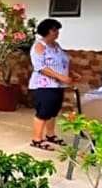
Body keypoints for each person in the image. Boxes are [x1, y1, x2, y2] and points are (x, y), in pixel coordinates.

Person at [28, 17, 79, 150]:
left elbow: (63, 62)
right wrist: (61, 77)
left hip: (57, 86)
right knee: (43, 112)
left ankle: (50, 135)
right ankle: (36, 139)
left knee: (52, 111)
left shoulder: (56, 46)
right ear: (48, 31)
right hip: (43, 85)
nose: (57, 33)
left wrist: (71, 74)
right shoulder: (39, 46)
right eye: (55, 30)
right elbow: (41, 67)